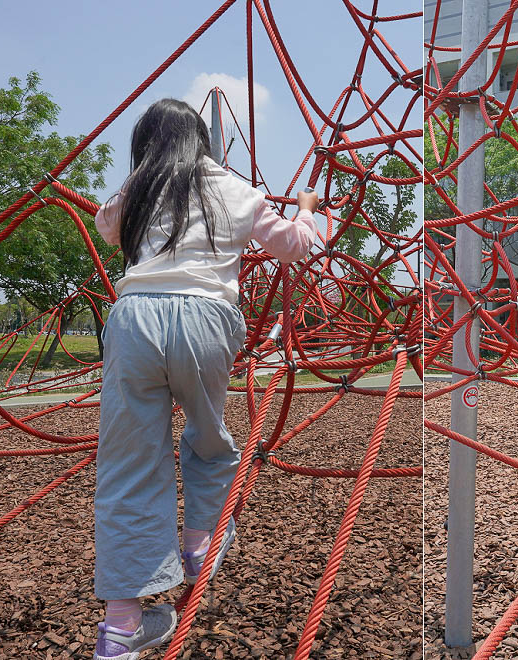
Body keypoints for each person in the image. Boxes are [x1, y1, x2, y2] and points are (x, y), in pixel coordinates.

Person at [90, 98, 317, 660]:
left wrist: (142, 176)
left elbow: (105, 224)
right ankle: (198, 548)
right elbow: (294, 247)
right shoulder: (234, 188)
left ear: (145, 146)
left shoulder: (137, 191)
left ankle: (121, 628)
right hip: (206, 318)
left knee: (126, 465)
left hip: (135, 317)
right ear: (202, 142)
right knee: (210, 441)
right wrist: (311, 211)